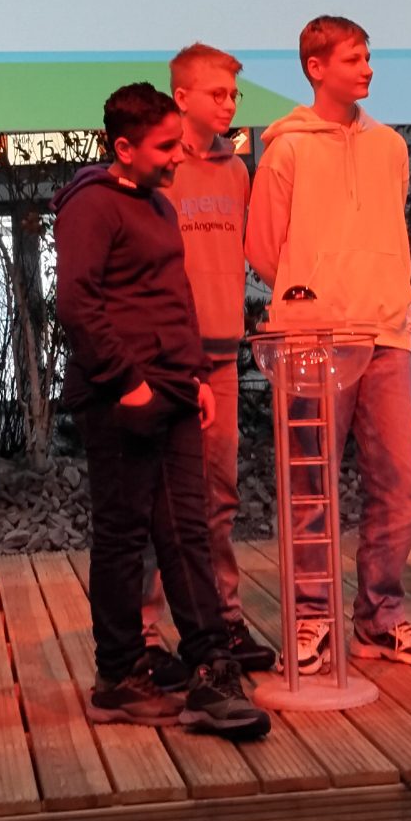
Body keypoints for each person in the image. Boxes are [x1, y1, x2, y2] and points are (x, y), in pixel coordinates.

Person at [54, 83, 272, 739]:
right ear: (123, 147)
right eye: (165, 147)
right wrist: (128, 383)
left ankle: (210, 670)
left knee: (186, 532)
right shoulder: (91, 204)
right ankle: (119, 676)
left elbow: (173, 297)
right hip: (121, 399)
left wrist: (196, 375)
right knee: (124, 537)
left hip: (173, 389)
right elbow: (77, 303)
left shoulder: (157, 205)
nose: (179, 156)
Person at [246, 16, 411, 672]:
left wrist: (378, 294)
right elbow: (262, 247)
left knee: (402, 487)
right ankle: (311, 618)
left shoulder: (389, 145)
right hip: (314, 340)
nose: (368, 69)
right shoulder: (287, 150)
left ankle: (379, 618)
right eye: (354, 58)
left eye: (368, 57)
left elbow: (385, 228)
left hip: (385, 334)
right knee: (311, 484)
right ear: (316, 67)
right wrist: (313, 296)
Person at [133, 43, 276, 678]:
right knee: (157, 498)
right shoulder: (160, 168)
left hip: (220, 356)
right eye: (217, 94)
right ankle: (143, 631)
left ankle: (222, 619)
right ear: (182, 97)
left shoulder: (237, 170)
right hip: (166, 360)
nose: (229, 104)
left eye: (234, 95)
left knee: (219, 497)